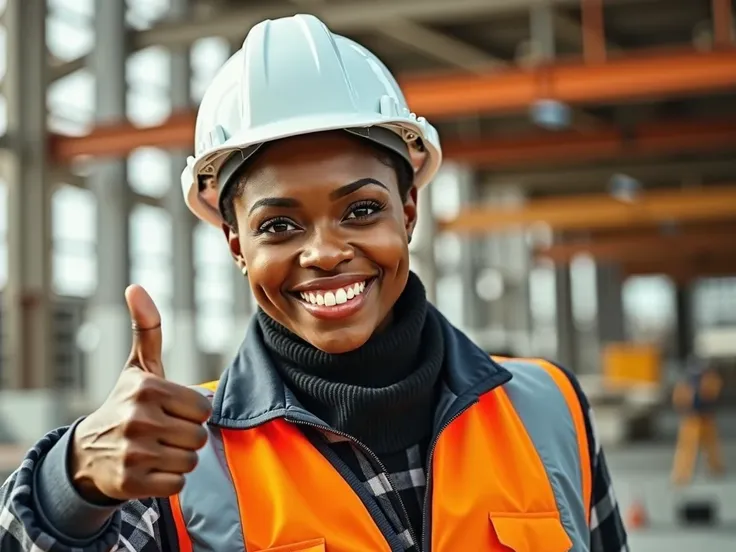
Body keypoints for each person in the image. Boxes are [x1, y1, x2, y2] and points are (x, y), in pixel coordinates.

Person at [0, 14, 628, 552]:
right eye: (278, 225)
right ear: (236, 245)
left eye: (362, 210)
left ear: (408, 213)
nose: (325, 253)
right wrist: (69, 483)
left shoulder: (549, 407)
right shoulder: (181, 460)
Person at [670, 356, 725, 485]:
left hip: (706, 417)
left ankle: (715, 467)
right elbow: (679, 399)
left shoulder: (709, 380)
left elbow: (713, 393)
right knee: (687, 448)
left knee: (711, 446)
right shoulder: (686, 385)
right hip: (692, 419)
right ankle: (682, 474)